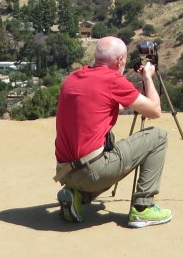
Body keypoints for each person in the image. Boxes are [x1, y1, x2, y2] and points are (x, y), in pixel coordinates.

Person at [54, 37, 172, 228]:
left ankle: (77, 195)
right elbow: (155, 111)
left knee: (108, 145)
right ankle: (144, 208)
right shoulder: (112, 80)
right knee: (158, 136)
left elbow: (107, 102)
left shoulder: (73, 77)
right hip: (93, 171)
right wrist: (148, 76)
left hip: (65, 171)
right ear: (119, 61)